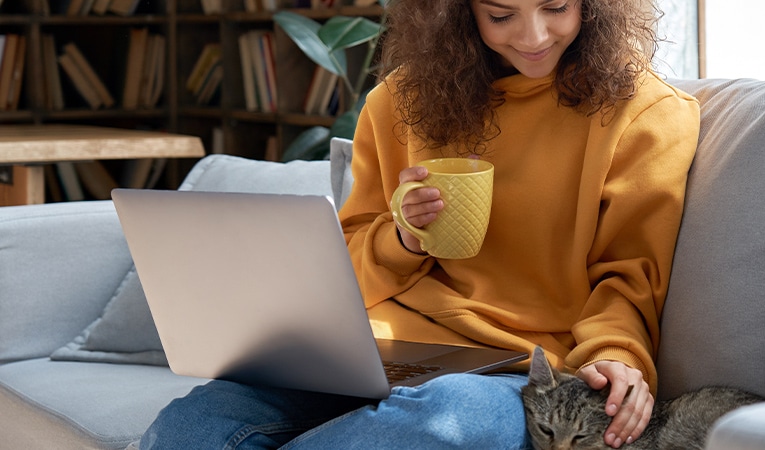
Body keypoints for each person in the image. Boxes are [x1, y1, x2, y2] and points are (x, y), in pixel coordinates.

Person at [140, 0, 699, 448]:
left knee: (446, 421)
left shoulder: (646, 114)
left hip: (520, 370)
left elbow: (632, 277)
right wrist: (403, 236)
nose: (532, 36)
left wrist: (616, 359)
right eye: (500, 15)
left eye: (557, 7)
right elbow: (349, 263)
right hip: (381, 348)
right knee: (191, 425)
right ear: (457, 12)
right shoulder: (399, 102)